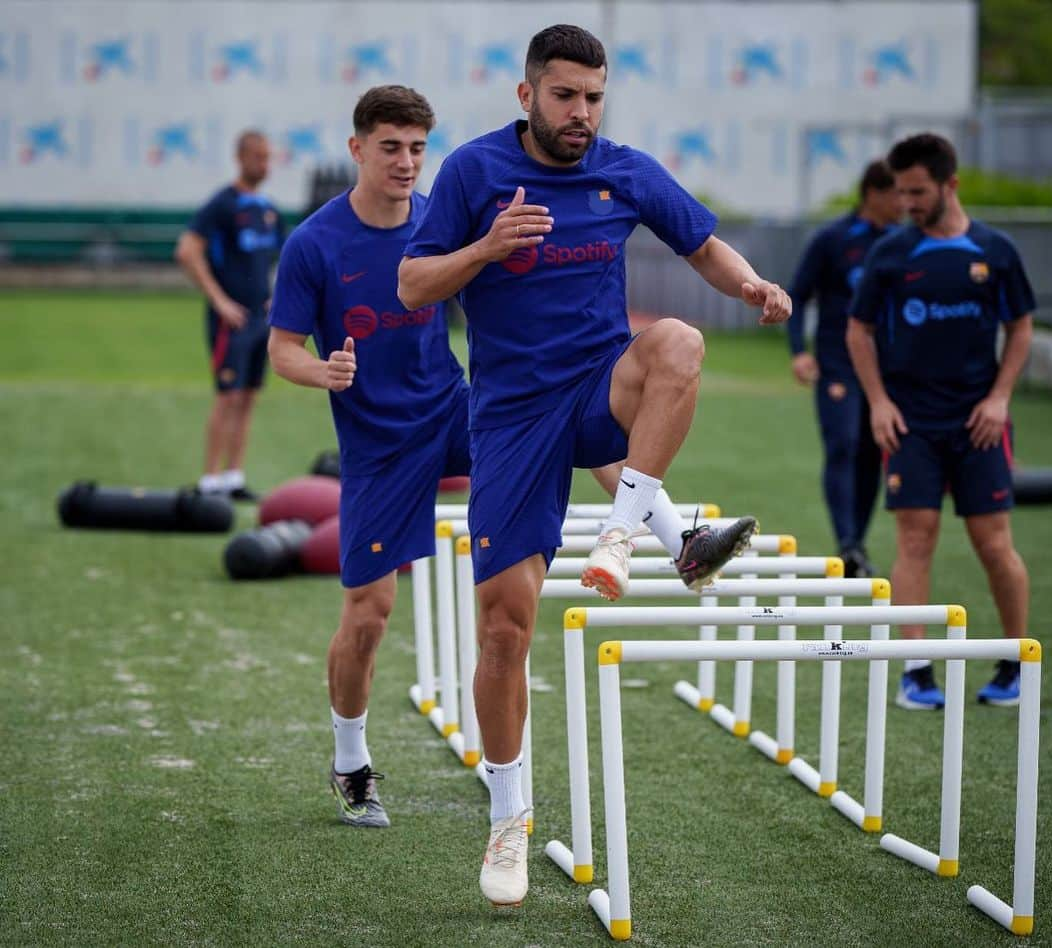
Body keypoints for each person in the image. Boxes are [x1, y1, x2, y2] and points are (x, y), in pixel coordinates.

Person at [265, 85, 735, 841]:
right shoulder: (315, 245)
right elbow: (282, 348)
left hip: (456, 409)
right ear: (357, 150)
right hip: (379, 445)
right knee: (368, 614)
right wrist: (319, 372)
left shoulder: (439, 216)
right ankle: (350, 757)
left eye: (418, 147)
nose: (407, 162)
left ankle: (676, 539)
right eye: (391, 147)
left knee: (569, 423)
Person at [398, 24, 788, 907]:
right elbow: (414, 286)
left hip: (599, 393)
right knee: (505, 626)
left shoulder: (627, 169)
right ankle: (508, 817)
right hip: (508, 418)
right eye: (566, 95)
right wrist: (486, 250)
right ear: (527, 94)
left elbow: (703, 247)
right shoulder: (472, 173)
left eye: (594, 96)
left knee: (680, 343)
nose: (581, 113)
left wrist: (754, 284)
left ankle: (626, 532)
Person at [846, 132, 1034, 711]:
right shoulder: (892, 253)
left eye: (918, 191)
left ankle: (1014, 661)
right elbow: (859, 332)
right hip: (910, 423)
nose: (907, 203)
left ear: (950, 185)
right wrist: (878, 402)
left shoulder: (995, 252)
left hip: (979, 421)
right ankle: (917, 671)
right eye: (901, 192)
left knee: (993, 542)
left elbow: (1021, 327)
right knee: (915, 535)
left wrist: (1000, 397)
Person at [788, 160, 902, 577]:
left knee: (874, 451)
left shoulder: (905, 242)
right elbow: (798, 294)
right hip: (838, 364)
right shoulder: (833, 239)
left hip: (889, 369)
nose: (904, 203)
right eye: (898, 194)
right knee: (844, 443)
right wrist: (800, 350)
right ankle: (847, 543)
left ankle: (857, 543)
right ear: (874, 192)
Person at [175, 130, 284, 500]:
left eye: (268, 157)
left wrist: (276, 298)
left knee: (250, 395)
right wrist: (219, 300)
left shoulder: (269, 211)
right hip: (230, 320)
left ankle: (234, 477)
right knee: (227, 396)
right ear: (240, 157)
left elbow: (279, 262)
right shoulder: (222, 205)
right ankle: (209, 479)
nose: (264, 164)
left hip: (260, 320)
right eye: (257, 156)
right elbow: (187, 251)